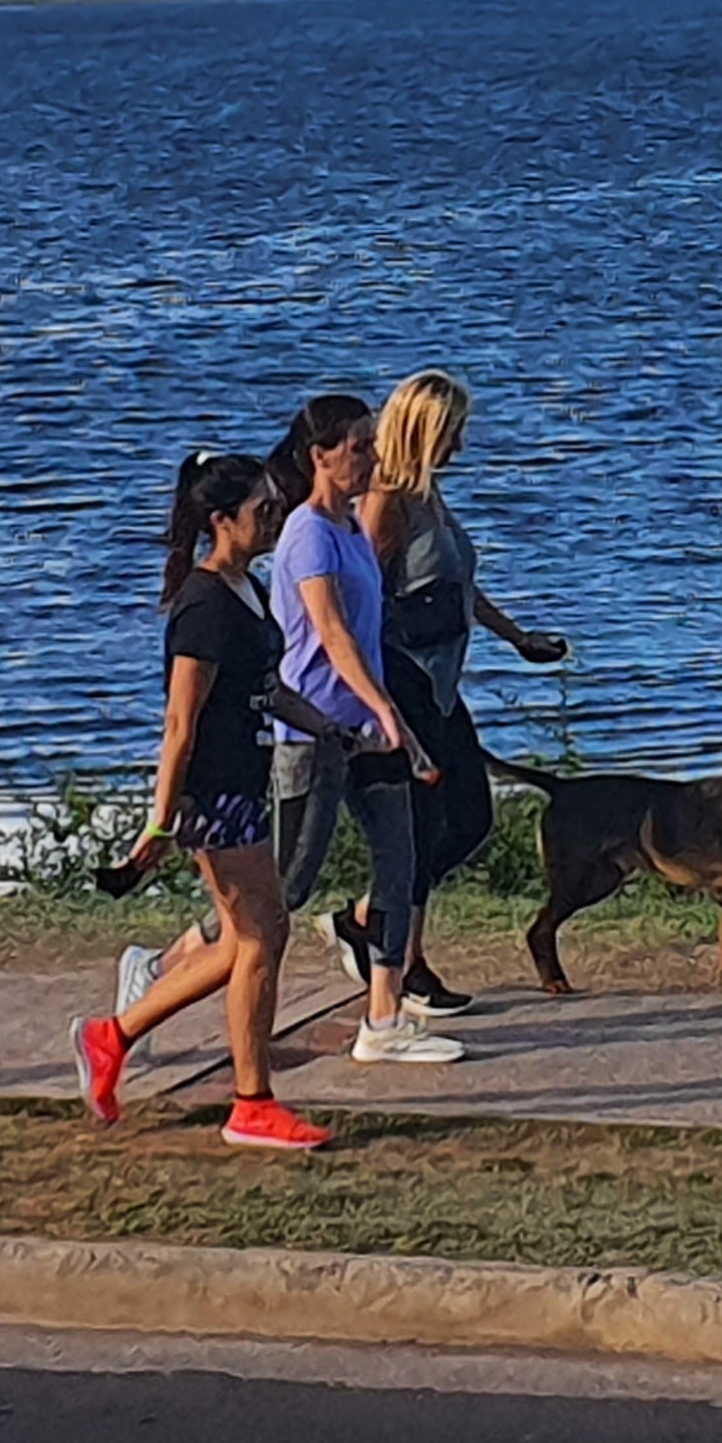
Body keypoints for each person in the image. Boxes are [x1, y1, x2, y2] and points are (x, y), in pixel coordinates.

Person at [71, 453, 329, 1149]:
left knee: (244, 940)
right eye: (262, 511)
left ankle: (112, 1034)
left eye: (278, 507)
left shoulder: (247, 588)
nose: (275, 520)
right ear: (221, 521)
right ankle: (251, 1102)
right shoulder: (204, 604)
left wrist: (333, 729)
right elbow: (180, 724)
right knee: (262, 936)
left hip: (245, 782)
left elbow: (268, 689)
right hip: (214, 798)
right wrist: (159, 821)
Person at [349, 369, 566, 1016]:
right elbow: (359, 596)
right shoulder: (384, 500)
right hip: (404, 679)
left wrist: (517, 637)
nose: (462, 446)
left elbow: (456, 586)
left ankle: (366, 917)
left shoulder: (428, 493)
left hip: (441, 682)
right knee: (425, 822)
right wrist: (374, 702)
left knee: (471, 818)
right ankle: (407, 966)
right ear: (423, 430)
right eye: (454, 433)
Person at [262, 390, 459, 1065]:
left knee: (399, 863)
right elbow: (332, 635)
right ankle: (169, 966)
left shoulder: (349, 526)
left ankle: (383, 1019)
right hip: (315, 730)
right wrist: (381, 709)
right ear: (320, 456)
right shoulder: (306, 532)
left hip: (371, 725)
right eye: (358, 446)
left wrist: (396, 720)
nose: (372, 456)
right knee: (285, 886)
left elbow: (369, 639)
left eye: (372, 442)